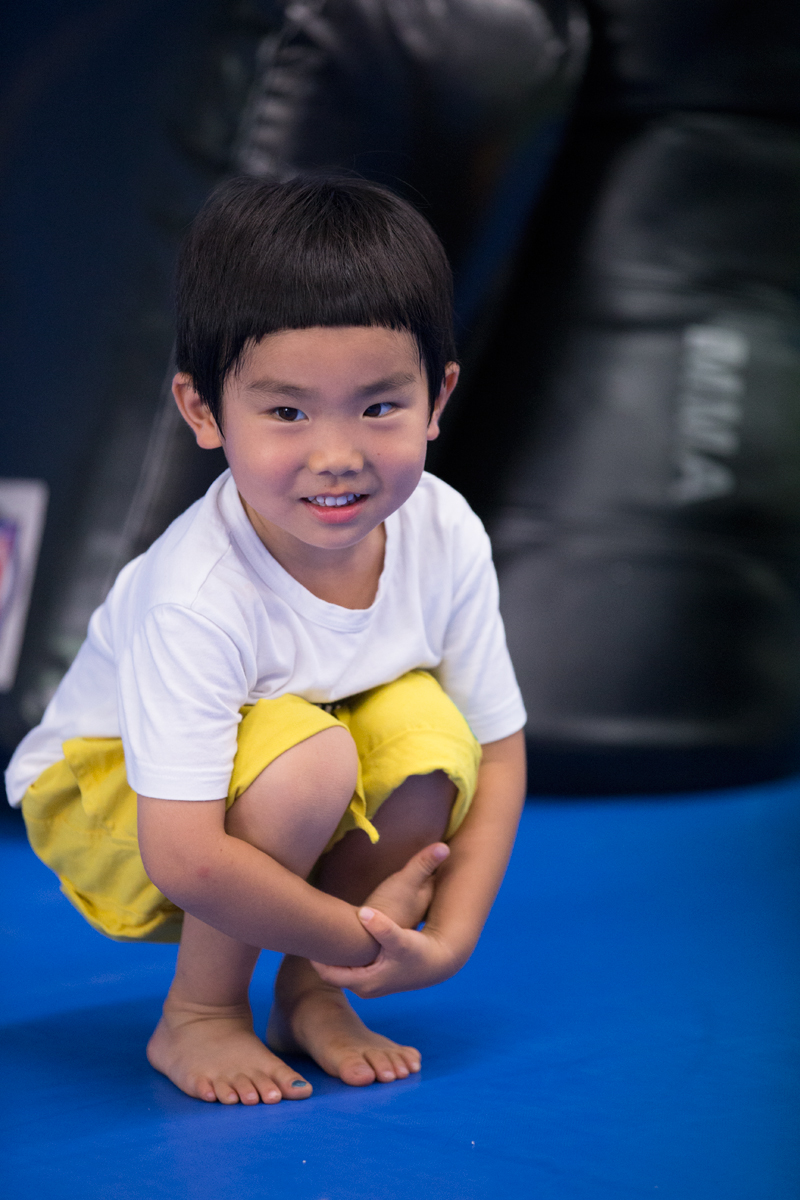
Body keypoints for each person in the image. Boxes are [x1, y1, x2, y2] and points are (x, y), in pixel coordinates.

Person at [5, 176, 527, 1106]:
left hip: (290, 751)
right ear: (204, 412)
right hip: (116, 795)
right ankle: (199, 1012)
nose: (338, 455)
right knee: (310, 762)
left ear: (437, 396)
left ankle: (310, 996)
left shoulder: (444, 531)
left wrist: (446, 945)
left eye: (379, 407)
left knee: (429, 735)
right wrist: (362, 936)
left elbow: (498, 750)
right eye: (287, 412)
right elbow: (185, 858)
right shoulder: (196, 595)